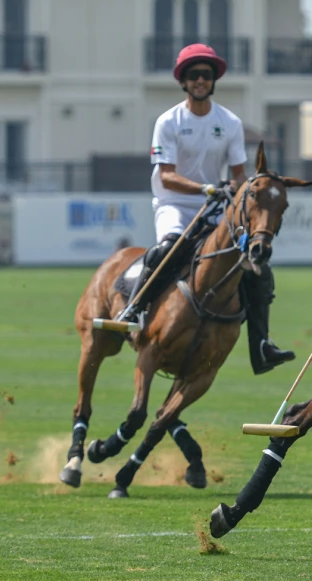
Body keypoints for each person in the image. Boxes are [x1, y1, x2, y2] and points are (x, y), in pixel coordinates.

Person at [119, 43, 294, 375]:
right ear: (183, 81)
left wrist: (236, 190)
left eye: (206, 75)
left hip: (216, 209)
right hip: (175, 204)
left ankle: (261, 344)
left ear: (213, 80)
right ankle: (134, 309)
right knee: (166, 250)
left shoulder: (229, 122)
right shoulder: (168, 121)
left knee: (256, 269)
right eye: (194, 75)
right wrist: (205, 188)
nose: (200, 80)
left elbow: (239, 174)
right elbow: (167, 175)